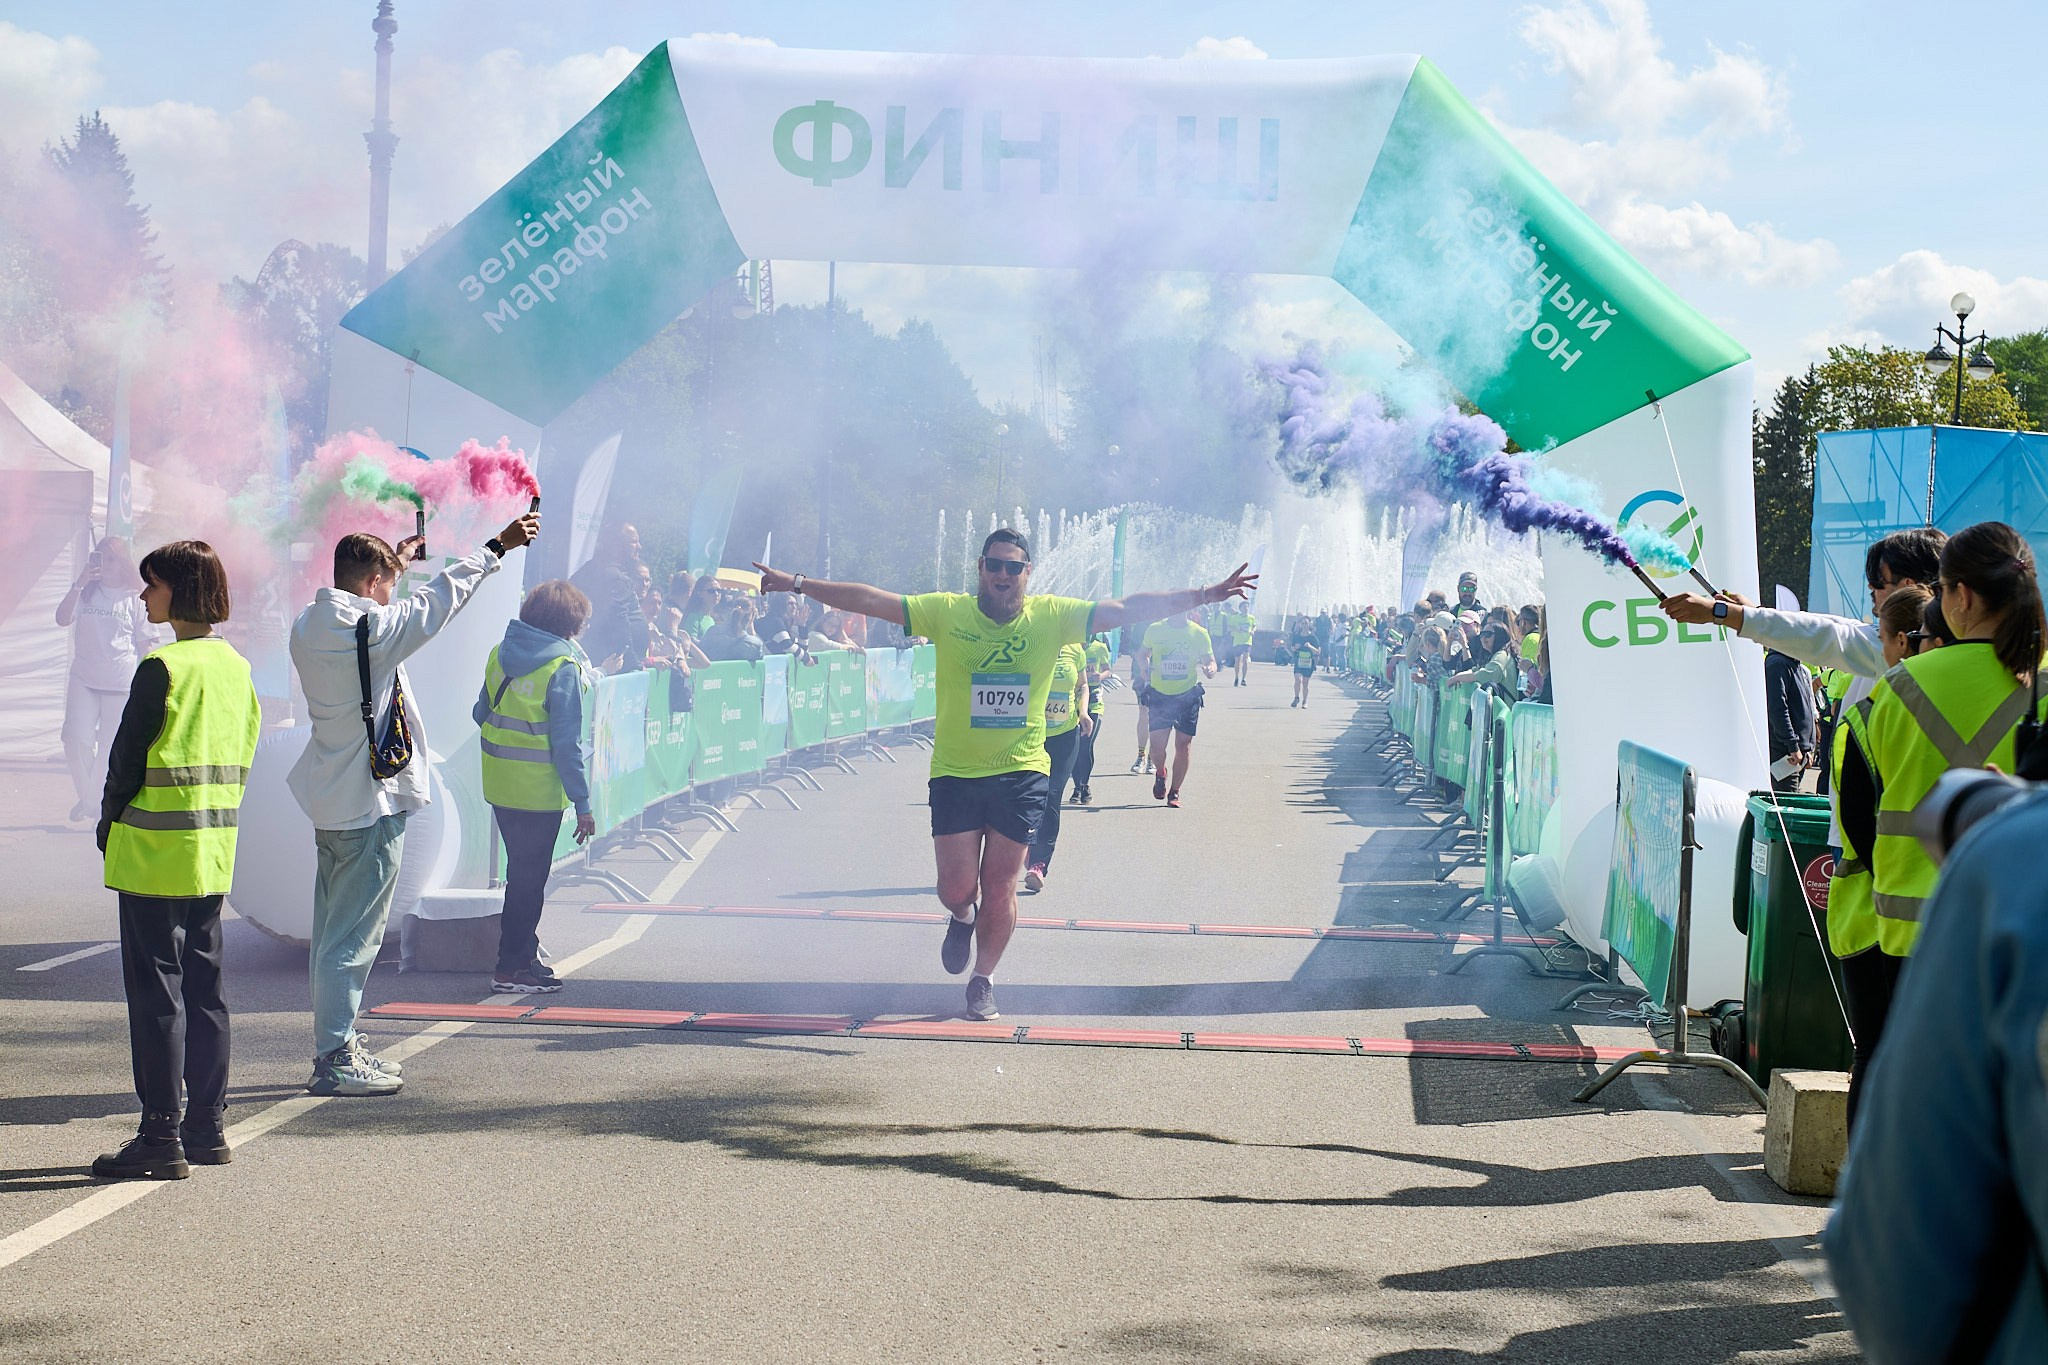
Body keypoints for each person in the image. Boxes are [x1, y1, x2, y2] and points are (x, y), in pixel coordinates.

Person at [751, 531, 1255, 1021]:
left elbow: (1127, 609)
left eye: (1014, 567)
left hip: (1022, 770)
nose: (1003, 574)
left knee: (1002, 886)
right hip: (955, 772)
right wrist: (797, 583)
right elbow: (871, 600)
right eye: (995, 564)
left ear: (1027, 573)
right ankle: (961, 918)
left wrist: (1205, 594)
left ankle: (983, 981)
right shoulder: (947, 611)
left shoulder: (1053, 616)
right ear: (981, 569)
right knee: (955, 887)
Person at [288, 510, 538, 1096]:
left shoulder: (310, 623)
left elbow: (392, 603)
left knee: (334, 935)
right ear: (373, 582)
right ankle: (335, 1056)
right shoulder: (371, 632)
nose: (395, 589)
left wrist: (391, 566)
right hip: (370, 803)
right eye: (389, 581)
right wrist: (497, 547)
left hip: (332, 796)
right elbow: (439, 600)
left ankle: (338, 1043)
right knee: (353, 940)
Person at [1824, 784, 2048, 1363]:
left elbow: (1893, 1271)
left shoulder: (2017, 865)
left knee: (1871, 1056)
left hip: (1888, 925)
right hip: (1904, 921)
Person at [89, 540, 258, 1180]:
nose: (142, 596)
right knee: (207, 991)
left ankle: (160, 1135)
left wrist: (108, 821)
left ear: (177, 591)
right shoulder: (235, 667)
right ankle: (207, 1128)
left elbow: (126, 761)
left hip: (154, 851)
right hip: (211, 852)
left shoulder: (162, 667)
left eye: (151, 585)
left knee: (156, 995)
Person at [1860, 522, 2044, 962]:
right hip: (2020, 924)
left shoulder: (1897, 685)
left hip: (1910, 927)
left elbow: (1867, 798)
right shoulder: (2042, 680)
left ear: (1962, 597)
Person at [1825, 584, 1929, 1128]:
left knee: (1872, 1052)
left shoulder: (1870, 713)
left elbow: (1855, 821)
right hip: (1956, 911)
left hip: (1873, 910)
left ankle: (1863, 1191)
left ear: (1899, 641)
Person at [475, 581, 598, 994]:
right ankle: (510, 969)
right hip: (538, 792)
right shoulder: (563, 670)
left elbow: (480, 712)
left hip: (499, 782)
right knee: (528, 882)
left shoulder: (499, 655)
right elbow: (567, 746)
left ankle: (525, 956)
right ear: (569, 625)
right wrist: (583, 802)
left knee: (520, 876)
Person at [56, 536, 162, 821]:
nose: (105, 564)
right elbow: (62, 618)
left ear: (123, 562)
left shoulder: (134, 598)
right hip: (84, 680)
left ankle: (90, 803)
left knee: (108, 748)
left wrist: (148, 682)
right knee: (74, 739)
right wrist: (79, 583)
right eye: (100, 557)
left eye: (111, 558)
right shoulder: (86, 592)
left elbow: (146, 644)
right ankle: (92, 803)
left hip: (119, 683)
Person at [1024, 642, 1091, 889]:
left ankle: (1039, 864)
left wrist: (1083, 712)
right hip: (1031, 734)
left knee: (1052, 795)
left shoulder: (1075, 650)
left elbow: (1083, 685)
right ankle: (1025, 845)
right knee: (1029, 795)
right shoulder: (1030, 642)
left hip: (1065, 735)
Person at [1138, 608, 1215, 807]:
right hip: (1160, 695)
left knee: (1183, 745)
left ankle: (1174, 791)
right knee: (1157, 748)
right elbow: (1143, 653)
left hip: (1187, 695)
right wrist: (1144, 667)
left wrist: (1210, 668)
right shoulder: (1155, 629)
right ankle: (1161, 772)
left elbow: (1210, 660)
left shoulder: (1199, 633)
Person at [1764, 646, 1816, 793]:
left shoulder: (1795, 665)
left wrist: (1808, 748)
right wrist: (1793, 745)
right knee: (1787, 808)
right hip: (1786, 755)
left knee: (1791, 802)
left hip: (1797, 754)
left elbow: (1805, 707)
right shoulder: (1777, 663)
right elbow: (1777, 709)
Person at [1071, 634, 1112, 806]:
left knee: (1086, 744)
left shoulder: (1100, 647)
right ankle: (1077, 787)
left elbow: (1108, 670)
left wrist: (1099, 676)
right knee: (1075, 746)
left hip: (1094, 702)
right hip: (1074, 701)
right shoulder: (1071, 647)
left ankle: (1084, 785)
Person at [1289, 621, 1320, 707]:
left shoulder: (1313, 637)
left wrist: (1310, 646)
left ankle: (1305, 701)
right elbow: (1292, 647)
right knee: (1298, 679)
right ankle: (1296, 697)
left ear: (1309, 624)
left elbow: (1318, 651)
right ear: (1300, 625)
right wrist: (1295, 648)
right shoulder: (1297, 636)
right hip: (1298, 660)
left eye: (1306, 623)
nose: (1304, 625)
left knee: (1305, 683)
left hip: (1308, 662)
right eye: (1303, 623)